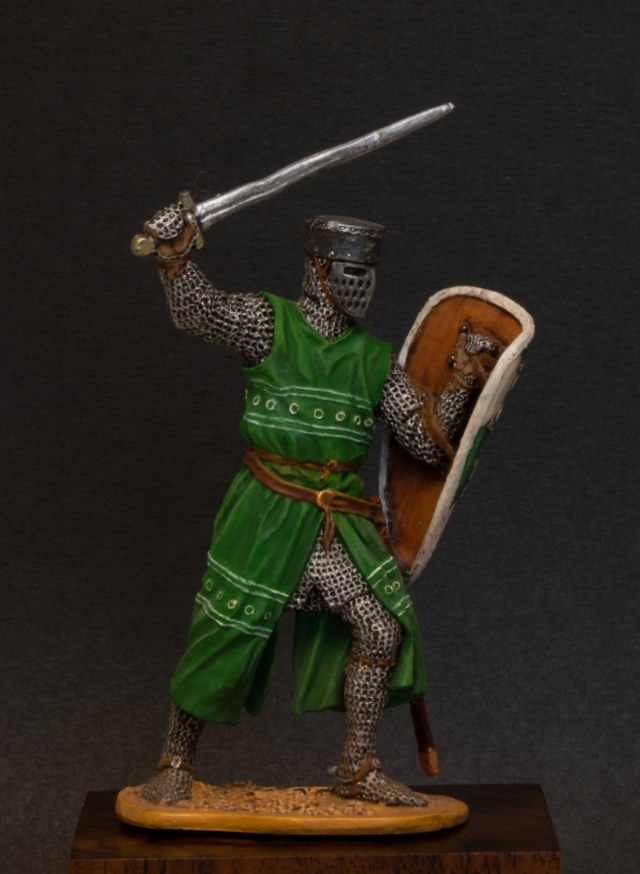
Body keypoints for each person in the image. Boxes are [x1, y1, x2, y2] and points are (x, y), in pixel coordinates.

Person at [138, 206, 494, 807]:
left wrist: (463, 373)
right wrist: (175, 255)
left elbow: (423, 439)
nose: (363, 284)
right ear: (318, 268)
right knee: (225, 628)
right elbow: (200, 312)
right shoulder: (267, 324)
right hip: (267, 510)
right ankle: (175, 758)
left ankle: (356, 769)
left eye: (370, 273)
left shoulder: (373, 358)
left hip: (335, 522)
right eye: (352, 271)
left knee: (380, 628)